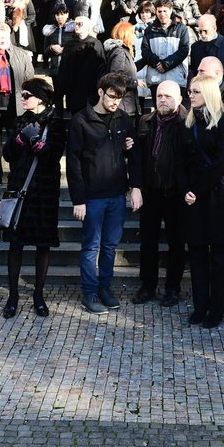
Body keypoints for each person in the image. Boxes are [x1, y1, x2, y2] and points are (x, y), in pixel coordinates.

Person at [66, 73, 142, 314]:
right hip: (92, 196)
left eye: (119, 98)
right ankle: (89, 293)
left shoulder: (122, 118)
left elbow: (132, 155)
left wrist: (135, 185)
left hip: (117, 194)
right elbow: (73, 163)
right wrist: (78, 199)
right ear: (100, 92)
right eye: (112, 97)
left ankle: (104, 288)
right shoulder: (81, 121)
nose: (115, 102)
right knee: (91, 246)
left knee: (110, 246)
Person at [1, 76, 67, 318]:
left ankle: (38, 295)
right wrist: (19, 141)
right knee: (15, 244)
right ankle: (13, 296)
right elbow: (7, 154)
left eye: (27, 95)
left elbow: (54, 155)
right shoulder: (19, 121)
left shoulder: (57, 123)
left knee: (43, 245)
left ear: (40, 98)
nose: (22, 98)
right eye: (23, 94)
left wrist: (38, 143)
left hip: (44, 191)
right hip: (20, 189)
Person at [182, 74, 224, 328]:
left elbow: (222, 162)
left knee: (219, 257)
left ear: (208, 93)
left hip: (217, 198)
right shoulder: (189, 122)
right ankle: (200, 306)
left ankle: (218, 308)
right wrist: (186, 189)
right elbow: (182, 160)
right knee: (196, 255)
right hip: (193, 198)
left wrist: (197, 190)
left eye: (195, 92)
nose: (190, 95)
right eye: (189, 91)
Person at [133, 80, 189, 307]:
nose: (163, 100)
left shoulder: (186, 123)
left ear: (178, 99)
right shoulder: (146, 122)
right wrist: (136, 186)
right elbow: (137, 157)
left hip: (176, 192)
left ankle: (172, 288)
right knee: (148, 241)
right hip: (152, 191)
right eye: (159, 97)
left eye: (167, 96)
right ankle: (148, 286)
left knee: (176, 242)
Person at [0, 22, 35, 187]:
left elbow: (30, 79)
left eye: (5, 37)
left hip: (15, 106)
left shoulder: (21, 54)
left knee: (16, 142)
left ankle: (16, 176)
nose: (2, 40)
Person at [137, 0, 190, 100]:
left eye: (165, 11)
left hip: (175, 78)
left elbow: (184, 50)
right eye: (159, 11)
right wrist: (157, 63)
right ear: (156, 12)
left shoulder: (181, 29)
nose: (162, 14)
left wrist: (166, 64)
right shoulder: (149, 30)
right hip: (155, 78)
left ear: (170, 11)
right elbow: (145, 51)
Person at [56, 15, 106, 115]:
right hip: (73, 90)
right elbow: (63, 68)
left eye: (80, 24)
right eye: (75, 24)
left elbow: (102, 68)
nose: (77, 26)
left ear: (88, 27)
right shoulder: (69, 45)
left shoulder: (95, 44)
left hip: (90, 91)